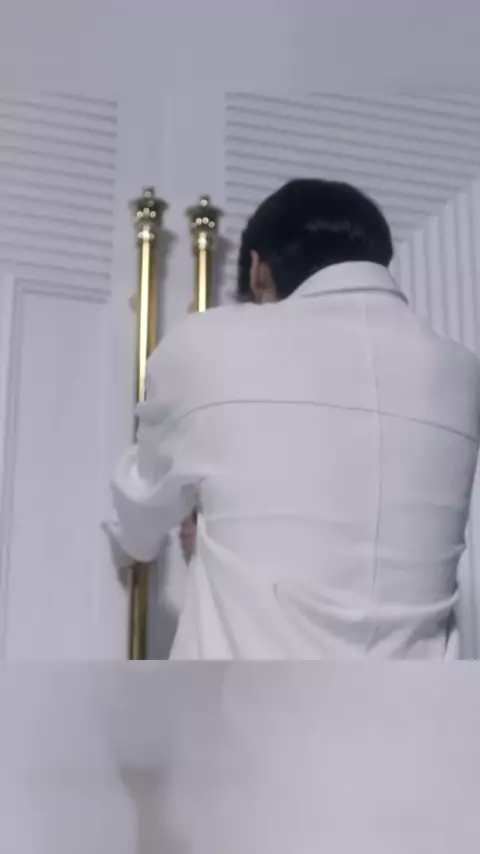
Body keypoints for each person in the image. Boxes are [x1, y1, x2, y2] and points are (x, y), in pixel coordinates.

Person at [106, 178, 480, 659]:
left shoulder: (205, 344)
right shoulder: (462, 373)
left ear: (258, 270)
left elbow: (139, 517)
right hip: (422, 705)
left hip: (247, 703)